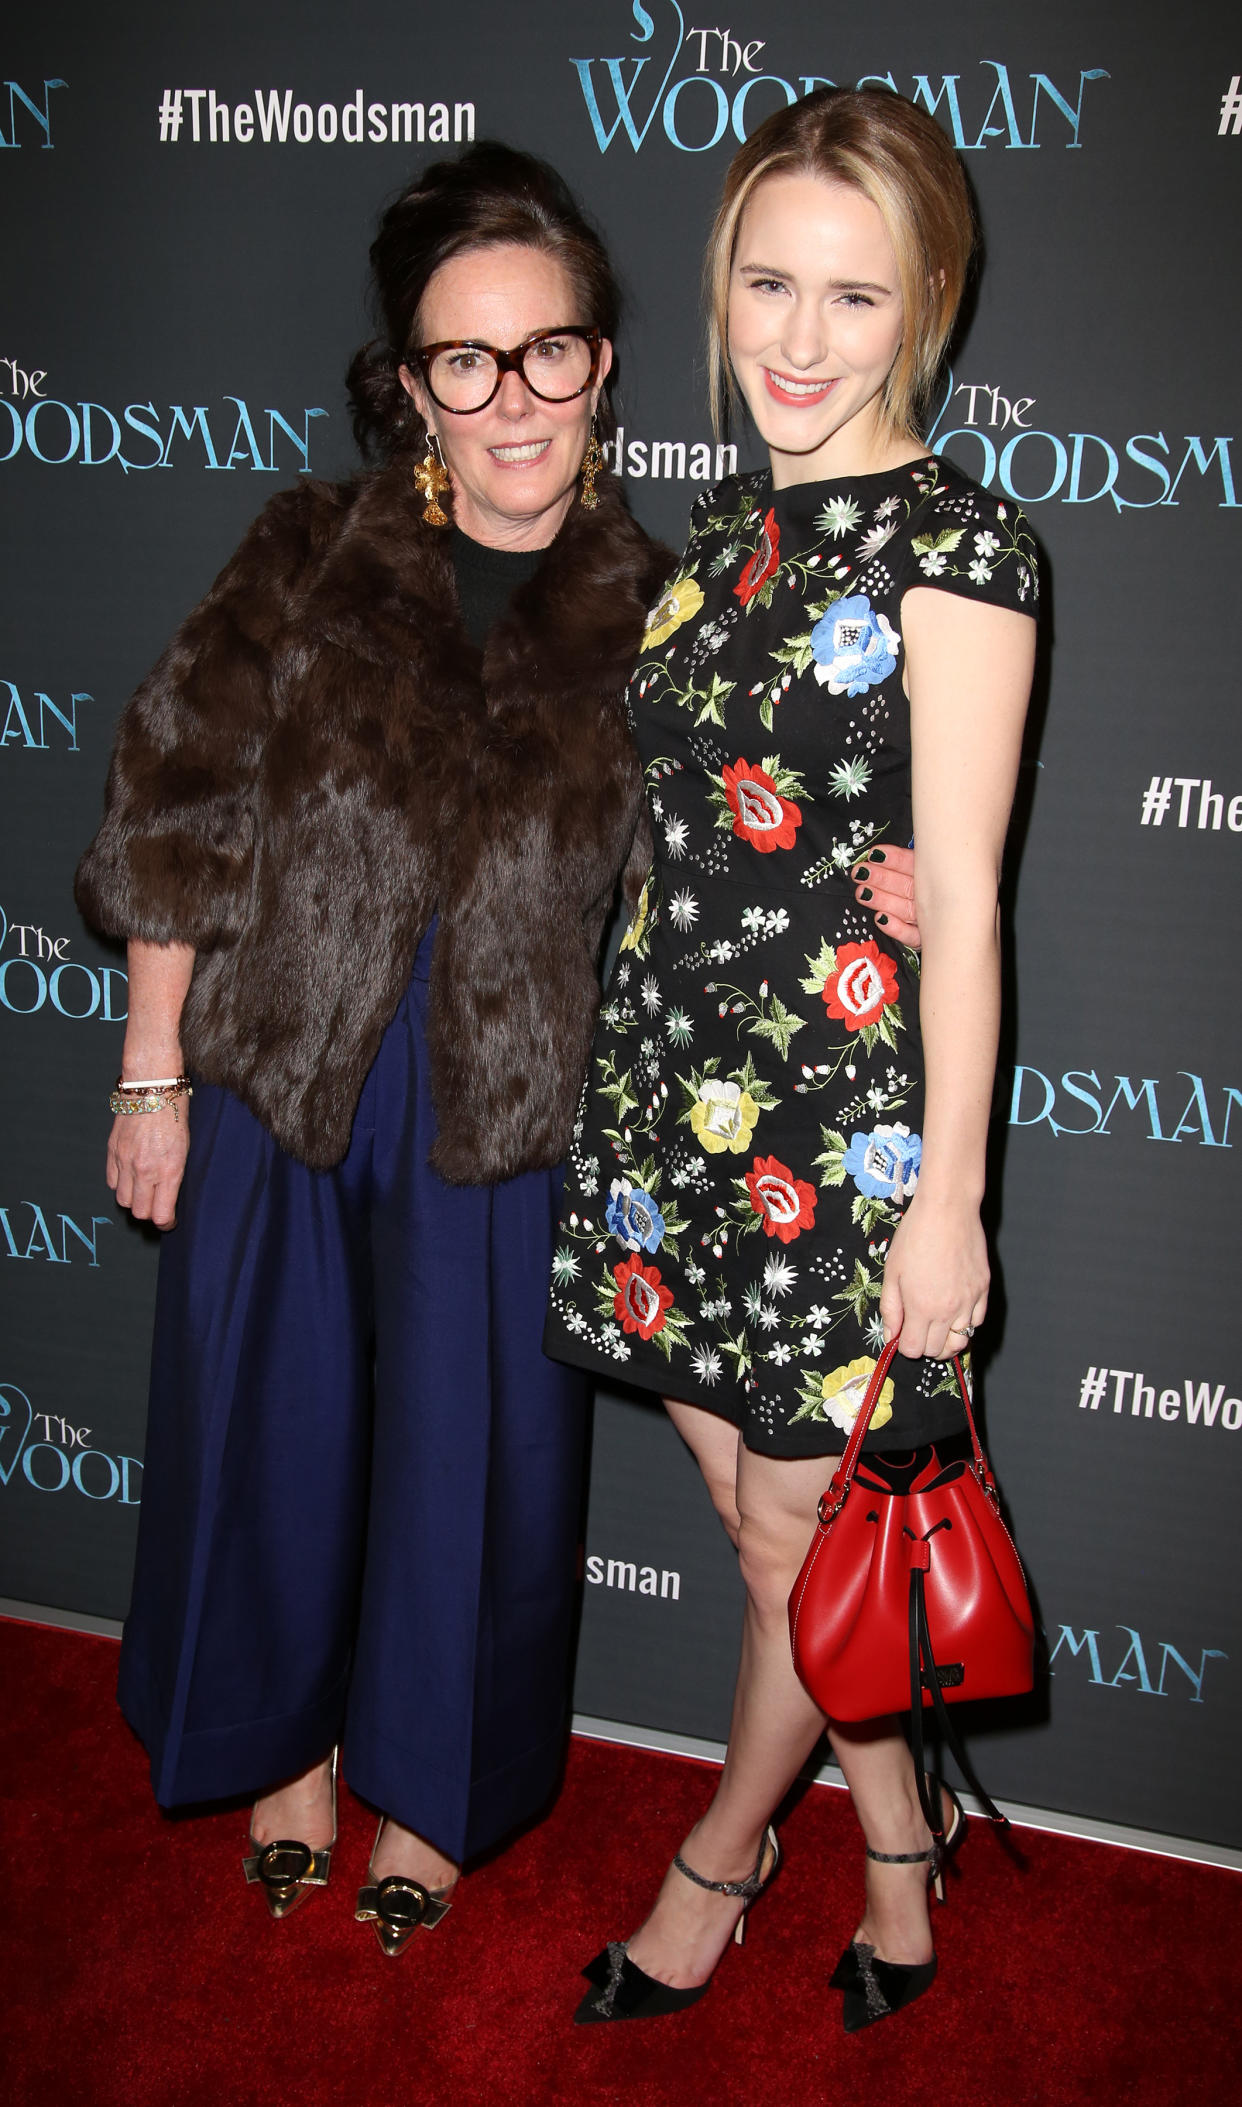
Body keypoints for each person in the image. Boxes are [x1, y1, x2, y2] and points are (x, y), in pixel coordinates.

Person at [74, 142, 671, 1954]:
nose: (510, 401)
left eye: (545, 351)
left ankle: (429, 1788)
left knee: (475, 1467)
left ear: (601, 364)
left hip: (507, 1119)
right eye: (463, 362)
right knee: (268, 1428)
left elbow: (733, 852)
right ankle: (284, 1755)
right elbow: (175, 813)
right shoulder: (301, 550)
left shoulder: (667, 612)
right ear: (411, 386)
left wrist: (890, 880)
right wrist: (152, 1072)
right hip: (278, 1079)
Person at [544, 86, 1038, 2029]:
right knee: (770, 1540)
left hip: (840, 1130)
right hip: (671, 1091)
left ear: (926, 303)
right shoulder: (739, 520)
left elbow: (970, 906)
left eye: (853, 294)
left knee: (782, 1532)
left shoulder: (963, 548)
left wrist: (951, 1203)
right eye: (767, 282)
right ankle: (893, 1844)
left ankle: (733, 1858)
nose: (798, 339)